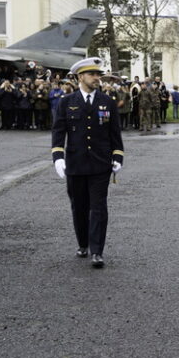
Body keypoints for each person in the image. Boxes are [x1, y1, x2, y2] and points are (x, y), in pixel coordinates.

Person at [51, 57, 125, 268]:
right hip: (75, 163)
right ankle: (83, 243)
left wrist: (118, 156)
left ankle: (97, 250)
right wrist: (58, 157)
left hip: (100, 164)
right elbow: (58, 132)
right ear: (80, 76)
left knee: (99, 208)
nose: (97, 78)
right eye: (92, 74)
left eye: (98, 74)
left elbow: (115, 134)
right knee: (79, 207)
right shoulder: (67, 102)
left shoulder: (107, 101)